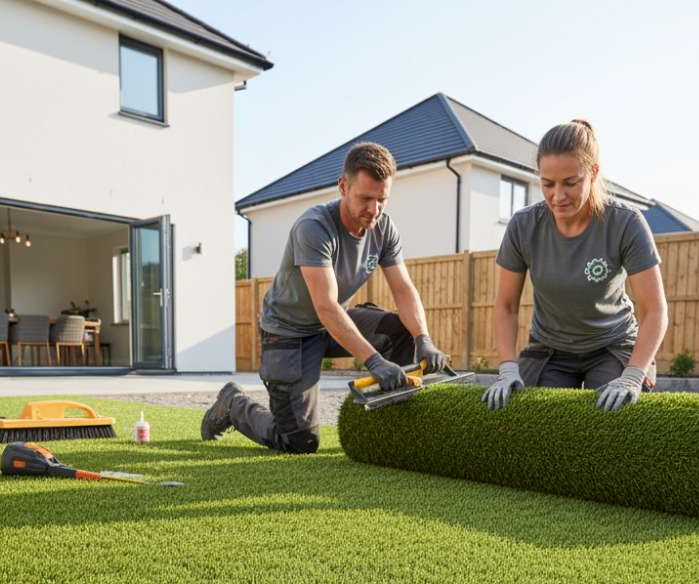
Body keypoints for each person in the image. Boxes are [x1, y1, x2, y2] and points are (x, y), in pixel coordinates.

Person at [201, 142, 449, 453]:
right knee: (298, 441)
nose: (374, 210)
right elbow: (326, 305)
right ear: (343, 186)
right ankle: (233, 404)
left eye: (382, 200)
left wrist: (422, 338)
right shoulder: (314, 227)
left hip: (331, 326)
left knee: (403, 331)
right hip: (288, 332)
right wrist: (374, 362)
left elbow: (404, 289)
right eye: (366, 198)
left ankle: (384, 425)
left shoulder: (383, 228)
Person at [483, 119, 668, 413]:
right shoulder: (523, 226)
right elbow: (506, 305)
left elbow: (654, 310)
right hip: (550, 349)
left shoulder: (625, 223)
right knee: (532, 416)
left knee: (611, 415)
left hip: (613, 345)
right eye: (547, 184)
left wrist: (632, 376)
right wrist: (507, 367)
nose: (558, 195)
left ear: (592, 172)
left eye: (570, 183)